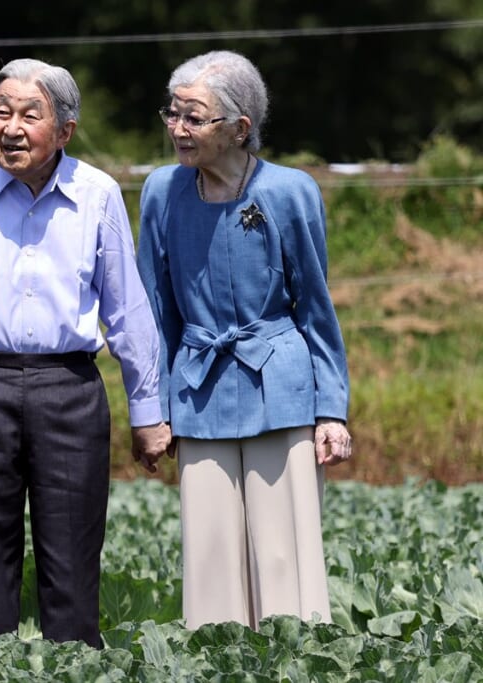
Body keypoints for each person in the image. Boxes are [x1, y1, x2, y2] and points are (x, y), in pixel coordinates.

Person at [0, 58, 172, 647]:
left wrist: (148, 411)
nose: (12, 128)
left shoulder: (98, 194)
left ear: (66, 130)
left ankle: (73, 668)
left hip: (69, 390)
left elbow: (127, 312)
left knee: (73, 560)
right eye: (2, 113)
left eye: (30, 115)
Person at [135, 50, 354, 630]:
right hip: (197, 388)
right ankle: (216, 659)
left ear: (239, 128)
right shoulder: (160, 192)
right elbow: (154, 311)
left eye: (194, 117)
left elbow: (315, 306)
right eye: (173, 114)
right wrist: (151, 408)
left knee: (284, 554)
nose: (178, 129)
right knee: (209, 556)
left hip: (281, 386)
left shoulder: (290, 191)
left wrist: (331, 410)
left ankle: (296, 656)